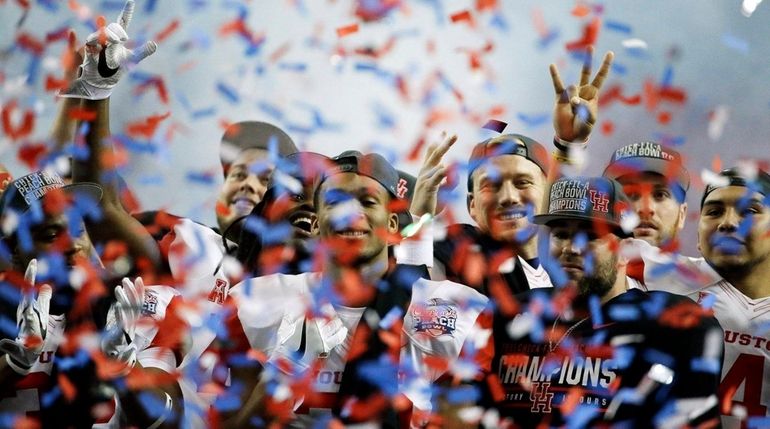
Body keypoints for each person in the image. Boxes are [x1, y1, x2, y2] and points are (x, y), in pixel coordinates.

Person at [221, 150, 488, 428]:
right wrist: (282, 374)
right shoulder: (253, 300)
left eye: (367, 201)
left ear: (393, 225)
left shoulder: (455, 308)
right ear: (315, 221)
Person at [474, 175, 723, 427]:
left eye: (591, 236)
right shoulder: (507, 314)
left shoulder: (669, 324)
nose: (571, 248)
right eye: (560, 234)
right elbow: (458, 403)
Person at [407, 48, 615, 298]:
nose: (508, 196)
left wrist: (569, 145)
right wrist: (419, 219)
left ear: (547, 194)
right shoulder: (455, 251)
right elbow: (402, 294)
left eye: (522, 182)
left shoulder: (575, 260)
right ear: (472, 206)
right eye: (491, 185)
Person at [0, 170, 185, 428]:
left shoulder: (132, 305)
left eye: (78, 229)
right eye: (51, 236)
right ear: (13, 250)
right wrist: (13, 365)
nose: (72, 244)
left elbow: (168, 421)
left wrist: (122, 365)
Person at [622, 168, 770, 428]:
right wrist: (569, 148)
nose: (728, 222)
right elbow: (579, 229)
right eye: (713, 212)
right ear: (699, 238)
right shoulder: (668, 274)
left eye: (750, 211)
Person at [603, 141, 690, 251]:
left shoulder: (701, 269)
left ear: (682, 214)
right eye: (629, 194)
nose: (645, 209)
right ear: (607, 209)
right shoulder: (577, 265)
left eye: (660, 194)